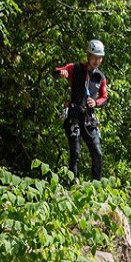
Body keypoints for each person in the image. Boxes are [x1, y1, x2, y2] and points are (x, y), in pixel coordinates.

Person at [53, 39, 108, 181]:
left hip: (89, 119)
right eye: (94, 57)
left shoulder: (100, 77)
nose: (97, 61)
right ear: (88, 55)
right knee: (75, 152)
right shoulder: (75, 68)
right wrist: (62, 73)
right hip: (74, 115)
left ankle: (97, 186)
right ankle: (73, 183)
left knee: (97, 153)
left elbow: (104, 98)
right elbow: (57, 72)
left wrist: (95, 103)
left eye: (99, 58)